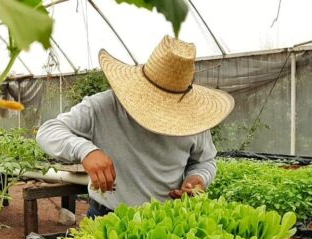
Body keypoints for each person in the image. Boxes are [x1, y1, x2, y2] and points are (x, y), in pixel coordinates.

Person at [36, 36, 234, 218]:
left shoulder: (194, 117)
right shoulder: (104, 106)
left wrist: (197, 178)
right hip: (107, 217)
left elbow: (205, 160)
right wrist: (86, 151)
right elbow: (48, 131)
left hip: (168, 221)